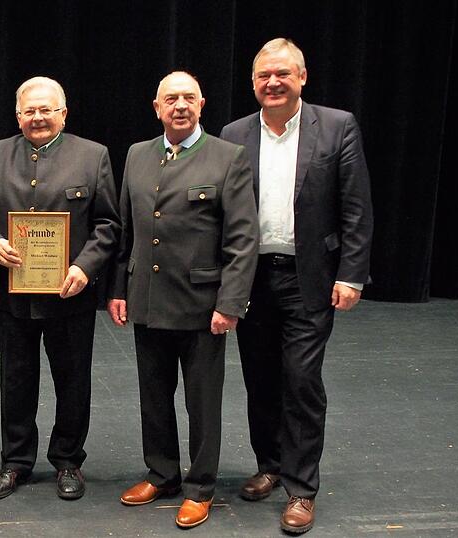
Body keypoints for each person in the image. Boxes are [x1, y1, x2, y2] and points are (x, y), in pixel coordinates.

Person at [220, 38, 374, 534]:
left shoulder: (336, 126)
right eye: (264, 75)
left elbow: (356, 207)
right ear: (253, 81)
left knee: (302, 382)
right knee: (260, 379)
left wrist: (351, 274)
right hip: (252, 278)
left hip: (311, 277)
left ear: (302, 77)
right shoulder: (234, 133)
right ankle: (269, 464)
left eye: (283, 73)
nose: (273, 82)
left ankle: (302, 488)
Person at [107, 71, 259, 528]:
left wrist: (230, 304)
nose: (179, 106)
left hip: (201, 304)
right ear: (157, 107)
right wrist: (117, 289)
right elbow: (127, 230)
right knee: (153, 396)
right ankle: (163, 473)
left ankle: (200, 486)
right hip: (147, 300)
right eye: (170, 99)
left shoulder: (228, 157)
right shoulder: (137, 154)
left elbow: (242, 238)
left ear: (202, 104)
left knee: (201, 402)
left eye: (188, 98)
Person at [0, 76, 120, 501]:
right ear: (18, 115)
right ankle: (15, 462)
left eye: (46, 109)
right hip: (12, 293)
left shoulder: (93, 156)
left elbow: (108, 224)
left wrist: (86, 267)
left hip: (71, 293)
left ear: (63, 114)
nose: (38, 117)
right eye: (29, 111)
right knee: (16, 380)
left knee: (73, 381)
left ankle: (68, 461)